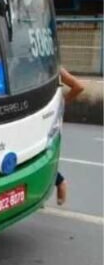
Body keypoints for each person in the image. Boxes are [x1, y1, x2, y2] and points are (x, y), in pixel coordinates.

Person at [56, 66, 85, 206]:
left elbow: (78, 86)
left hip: (48, 120)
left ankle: (60, 182)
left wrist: (62, 102)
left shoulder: (53, 67)